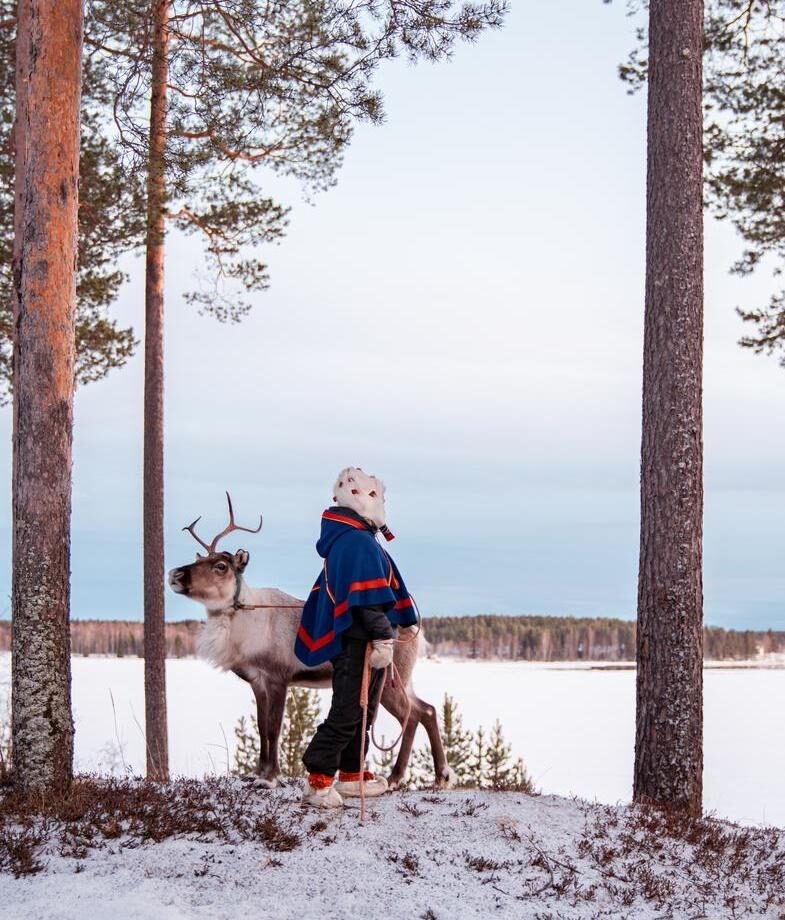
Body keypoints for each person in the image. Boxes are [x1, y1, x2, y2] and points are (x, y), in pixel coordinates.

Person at [295, 467, 418, 808]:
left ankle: (351, 773)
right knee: (348, 710)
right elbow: (365, 599)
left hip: (362, 639)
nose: (381, 503)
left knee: (364, 707)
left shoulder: (356, 538)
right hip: (359, 641)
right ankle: (319, 780)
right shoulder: (355, 541)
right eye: (376, 496)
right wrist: (382, 639)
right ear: (362, 500)